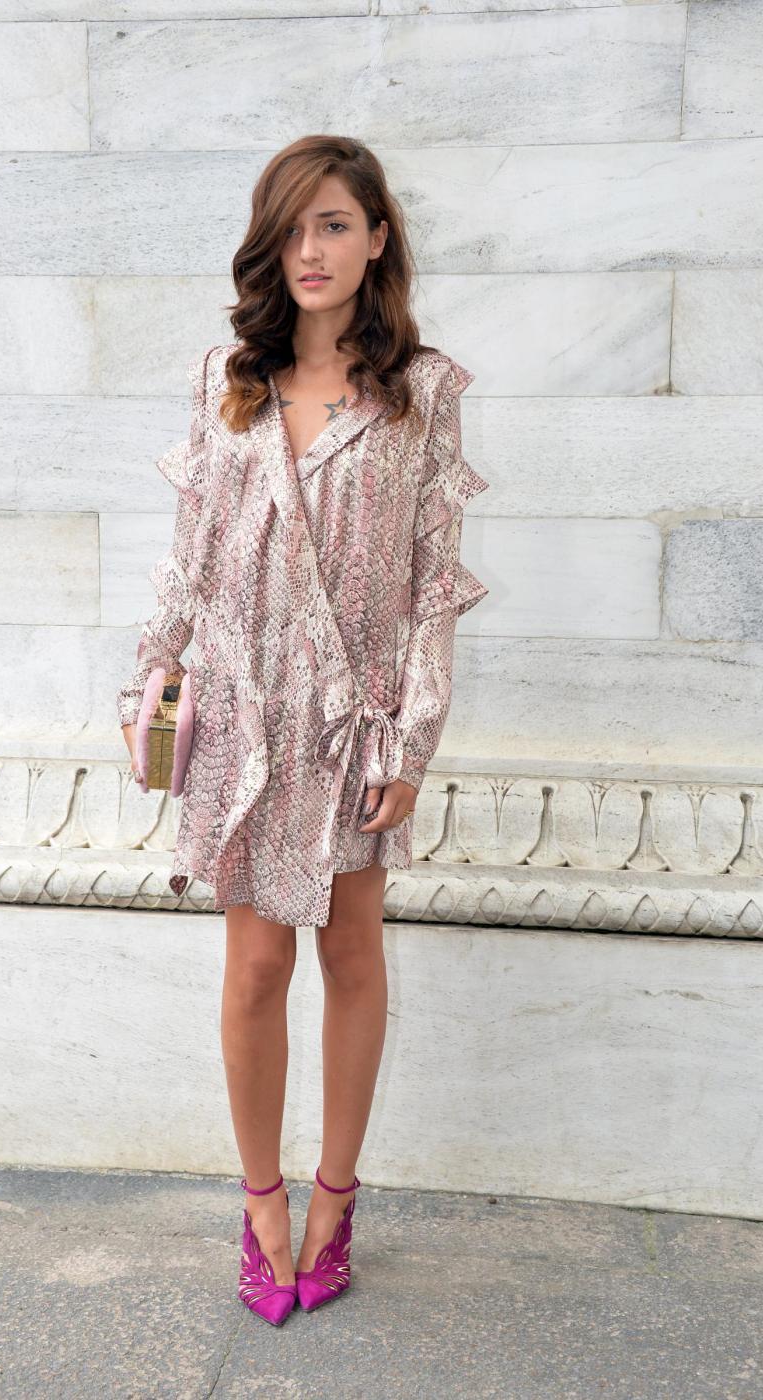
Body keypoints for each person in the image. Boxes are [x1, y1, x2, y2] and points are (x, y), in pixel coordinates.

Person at [117, 135, 489, 1326]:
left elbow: (430, 583)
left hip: (352, 721)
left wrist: (412, 741)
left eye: (332, 223)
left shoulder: (419, 392)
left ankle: (335, 1197)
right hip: (239, 708)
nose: (310, 249)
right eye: (291, 228)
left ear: (376, 236)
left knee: (350, 954)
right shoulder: (225, 378)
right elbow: (190, 555)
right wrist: (150, 683)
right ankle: (259, 1204)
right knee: (255, 965)